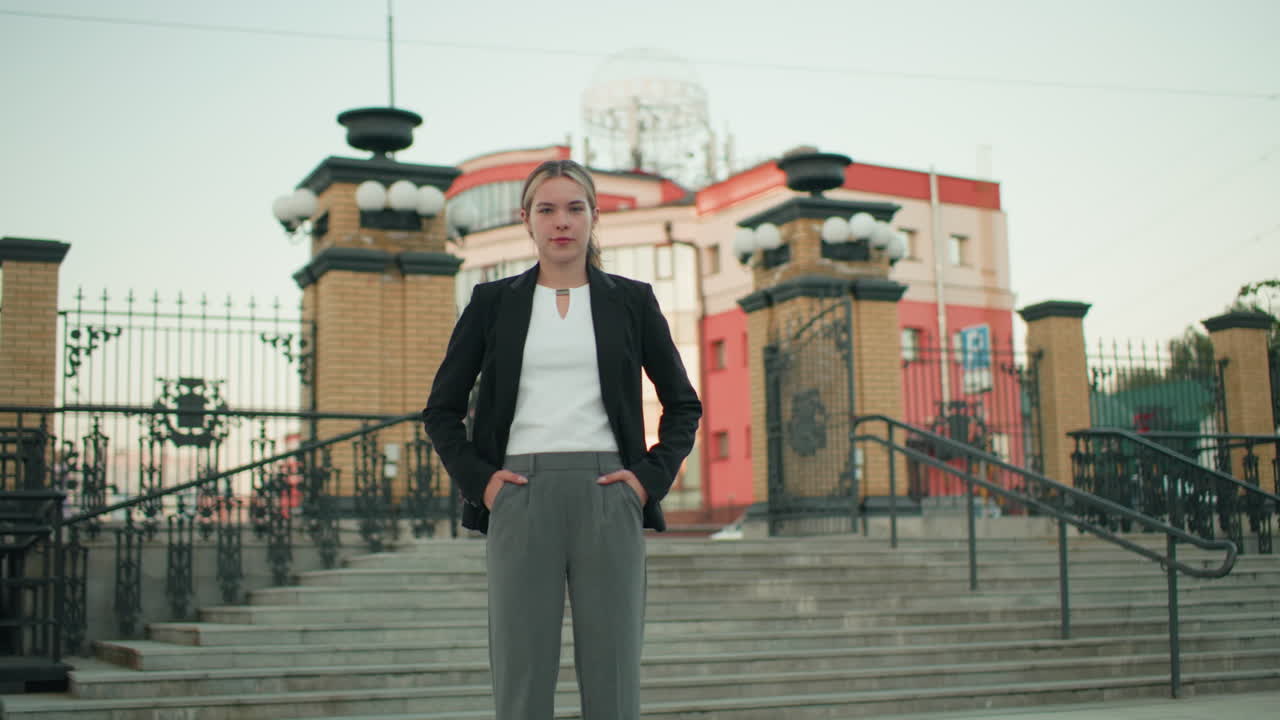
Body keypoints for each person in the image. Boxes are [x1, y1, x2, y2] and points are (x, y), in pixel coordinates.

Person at [422, 159, 702, 720]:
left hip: (609, 494)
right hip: (519, 494)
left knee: (614, 674)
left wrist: (646, 483)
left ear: (594, 216)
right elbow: (442, 410)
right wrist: (484, 485)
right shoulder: (492, 303)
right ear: (526, 219)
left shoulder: (631, 300)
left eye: (575, 208)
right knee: (521, 677)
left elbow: (683, 404)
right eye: (547, 209)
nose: (562, 222)